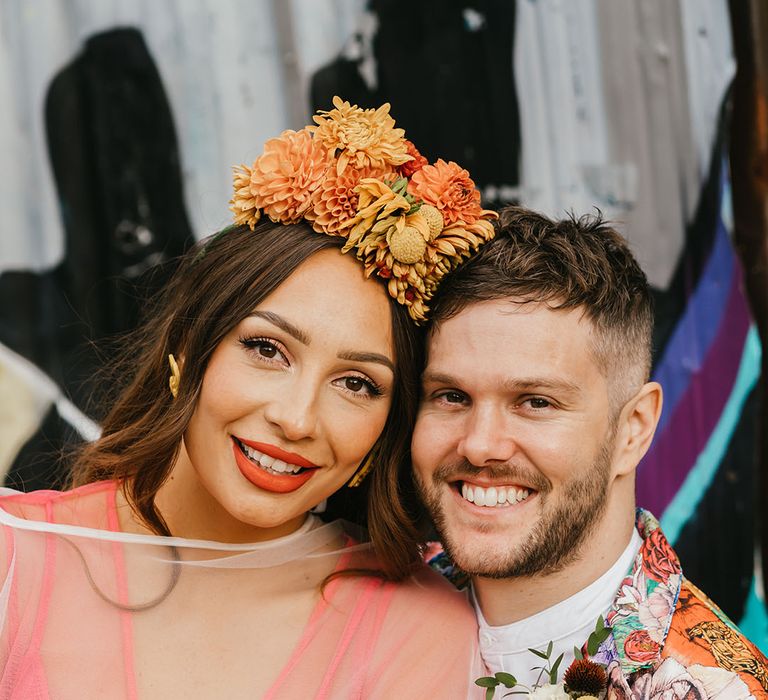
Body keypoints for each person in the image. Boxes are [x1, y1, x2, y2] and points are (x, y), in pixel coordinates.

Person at [0, 97, 496, 698]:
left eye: (357, 384)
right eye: (267, 350)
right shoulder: (14, 561)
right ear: (188, 345)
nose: (295, 418)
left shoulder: (421, 633)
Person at [413, 206, 768, 698]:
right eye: (451, 396)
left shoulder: (715, 688)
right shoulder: (379, 597)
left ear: (633, 430)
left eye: (535, 402)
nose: (478, 444)